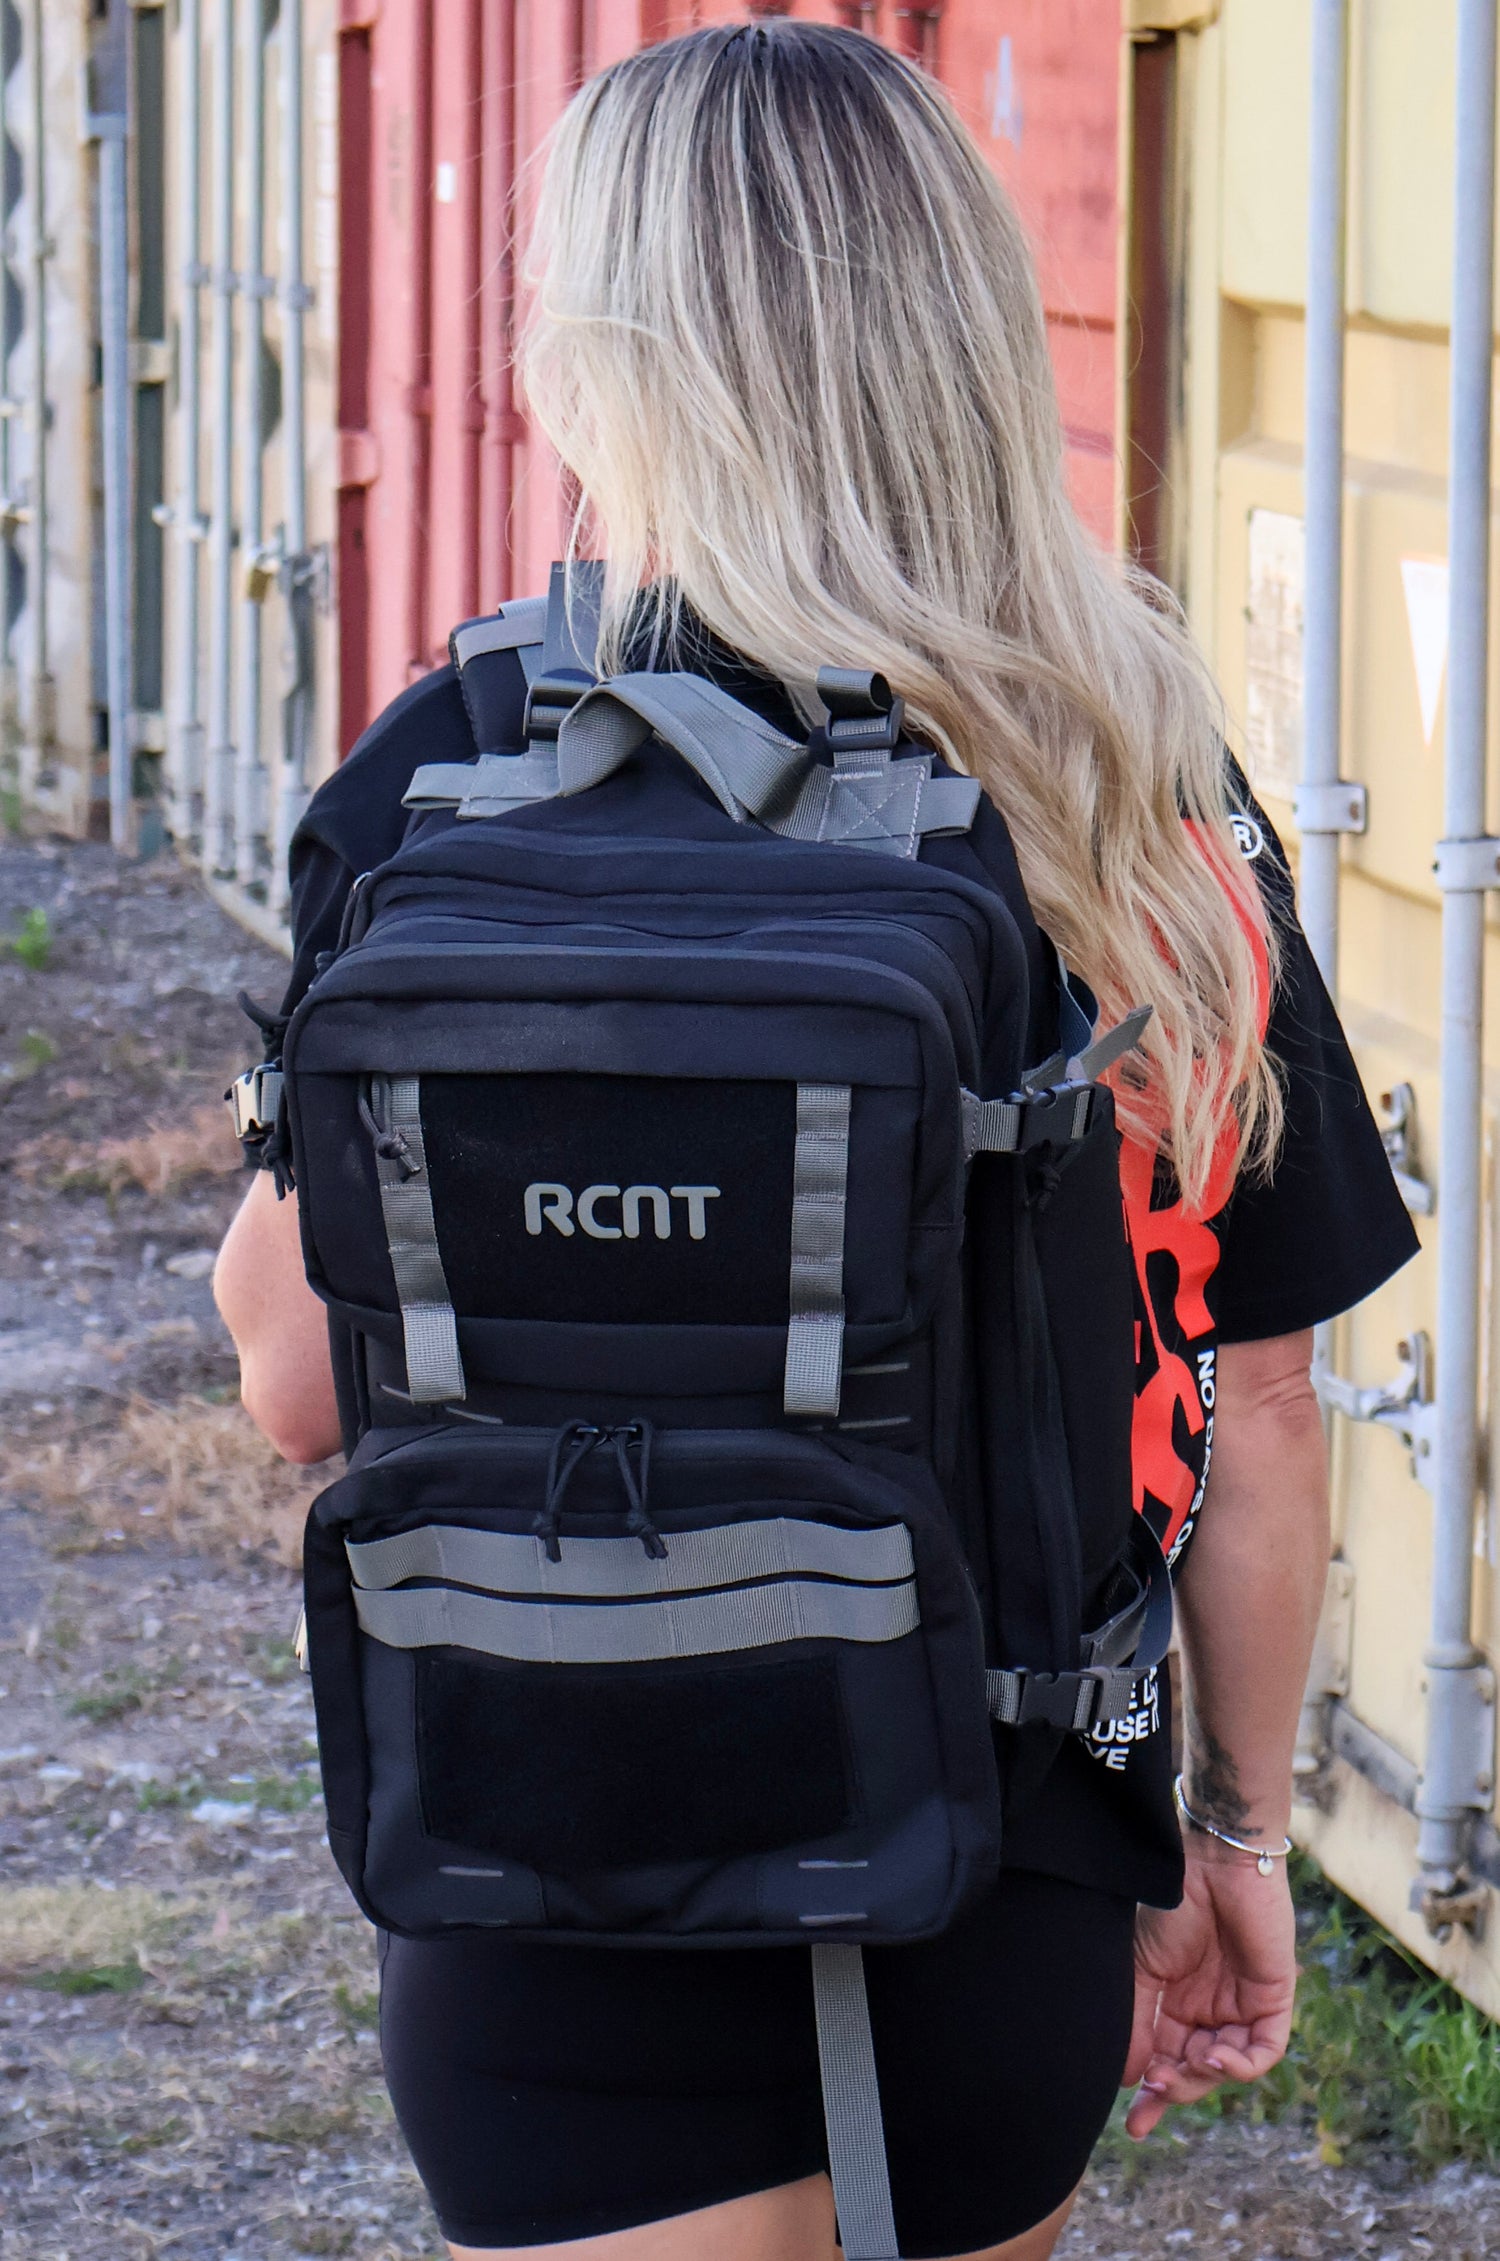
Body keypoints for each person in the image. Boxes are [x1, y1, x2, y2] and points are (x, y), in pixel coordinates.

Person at [214, 22, 1418, 2261]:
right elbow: (1256, 1405)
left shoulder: (449, 771)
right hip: (996, 1862)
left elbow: (301, 1383)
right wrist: (1232, 1836)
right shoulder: (1134, 792)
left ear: (608, 347)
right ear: (957, 325)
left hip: (539, 1845)